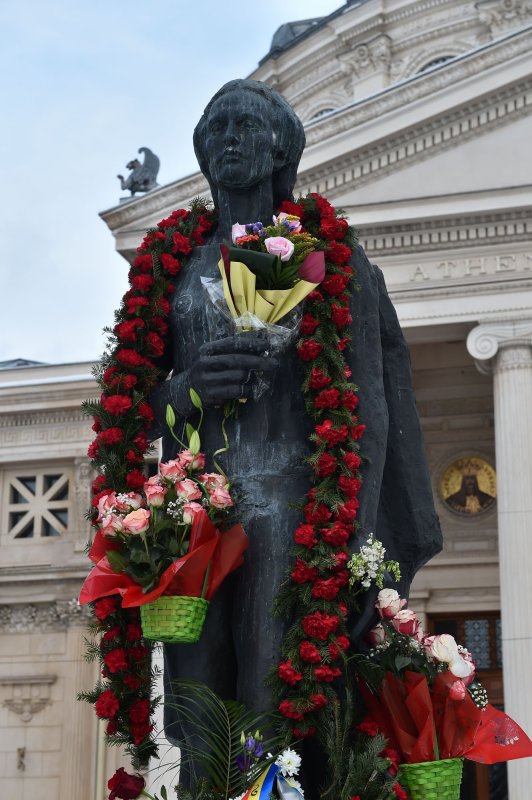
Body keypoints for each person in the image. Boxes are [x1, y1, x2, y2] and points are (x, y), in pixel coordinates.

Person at [148, 79, 442, 793]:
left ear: (282, 146)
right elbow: (137, 402)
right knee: (198, 702)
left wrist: (357, 538)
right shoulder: (177, 268)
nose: (227, 141)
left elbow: (370, 404)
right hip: (197, 514)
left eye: (245, 126)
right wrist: (187, 388)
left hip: (291, 502)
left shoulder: (330, 264)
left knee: (273, 694)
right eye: (213, 129)